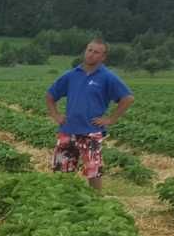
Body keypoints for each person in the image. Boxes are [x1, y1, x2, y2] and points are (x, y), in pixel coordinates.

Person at [45, 38, 133, 191]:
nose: (91, 54)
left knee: (93, 171)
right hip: (68, 130)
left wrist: (111, 119)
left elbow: (127, 98)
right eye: (89, 50)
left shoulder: (107, 77)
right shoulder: (71, 75)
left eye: (96, 52)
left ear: (103, 57)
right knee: (61, 169)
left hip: (91, 131)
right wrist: (56, 115)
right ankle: (61, 198)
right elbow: (50, 95)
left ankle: (96, 202)